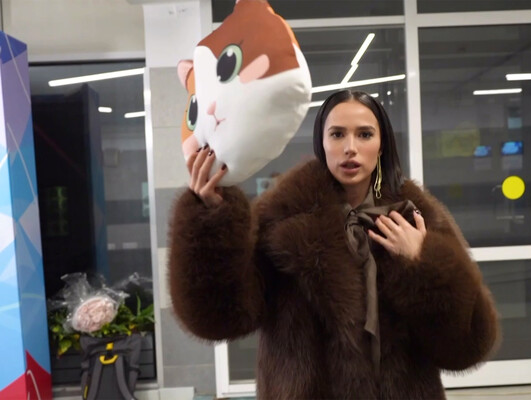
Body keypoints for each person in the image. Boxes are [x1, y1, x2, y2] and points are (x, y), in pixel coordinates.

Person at [168, 90, 500, 399]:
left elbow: (467, 344)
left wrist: (423, 264)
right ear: (321, 143)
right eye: (337, 134)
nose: (350, 147)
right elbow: (221, 316)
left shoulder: (414, 216)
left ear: (381, 146)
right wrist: (211, 221)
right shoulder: (282, 217)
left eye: (365, 134)